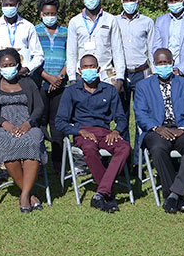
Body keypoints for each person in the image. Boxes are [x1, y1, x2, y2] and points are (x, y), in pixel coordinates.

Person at [54, 54, 131, 213]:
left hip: (105, 132)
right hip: (82, 133)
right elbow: (60, 121)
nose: (89, 70)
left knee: (124, 147)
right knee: (89, 148)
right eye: (86, 67)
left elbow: (121, 117)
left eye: (92, 67)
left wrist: (116, 130)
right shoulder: (71, 91)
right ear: (80, 71)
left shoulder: (109, 90)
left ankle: (102, 192)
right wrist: (79, 131)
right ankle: (107, 193)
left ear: (98, 69)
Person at [133, 48, 184, 214]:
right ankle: (177, 195)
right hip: (156, 129)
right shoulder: (143, 86)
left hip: (181, 129)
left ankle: (174, 194)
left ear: (172, 63)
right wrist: (157, 128)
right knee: (158, 149)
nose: (163, 66)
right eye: (159, 63)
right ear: (154, 64)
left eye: (166, 62)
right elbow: (140, 113)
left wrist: (182, 129)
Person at [0, 48, 47, 213]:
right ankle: (30, 195)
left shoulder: (28, 83)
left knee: (32, 142)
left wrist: (29, 123)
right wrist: (5, 124)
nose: (8, 67)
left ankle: (24, 195)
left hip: (27, 124)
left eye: (12, 64)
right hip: (0, 126)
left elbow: (39, 107)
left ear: (18, 65)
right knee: (8, 144)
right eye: (4, 65)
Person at [35, 0, 70, 170]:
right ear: (41, 14)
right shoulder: (34, 31)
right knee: (40, 122)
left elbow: (70, 55)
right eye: (47, 13)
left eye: (53, 13)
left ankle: (59, 162)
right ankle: (40, 161)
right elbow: (33, 58)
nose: (50, 16)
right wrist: (47, 77)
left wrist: (60, 77)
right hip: (40, 83)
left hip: (61, 84)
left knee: (58, 123)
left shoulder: (65, 32)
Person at [115, 0, 153, 113]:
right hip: (121, 73)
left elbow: (152, 48)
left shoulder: (147, 22)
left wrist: (154, 73)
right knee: (121, 112)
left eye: (132, 0)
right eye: (126, 0)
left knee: (142, 111)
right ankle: (122, 134)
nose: (129, 3)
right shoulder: (114, 21)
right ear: (121, 1)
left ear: (137, 0)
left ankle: (141, 134)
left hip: (141, 72)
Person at [0, 0, 44, 79]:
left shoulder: (28, 26)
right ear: (1, 5)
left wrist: (27, 69)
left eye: (11, 5)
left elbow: (39, 55)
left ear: (17, 5)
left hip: (22, 75)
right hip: (0, 75)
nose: (8, 7)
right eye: (6, 5)